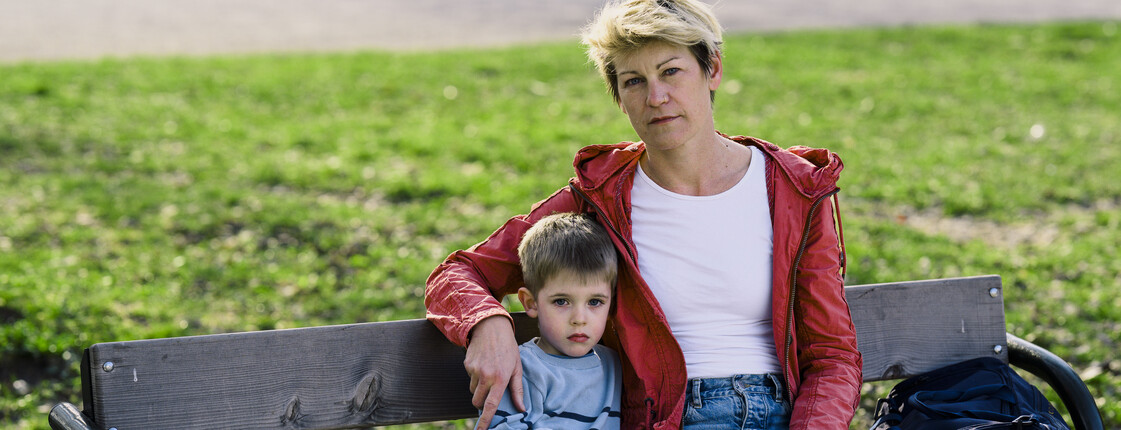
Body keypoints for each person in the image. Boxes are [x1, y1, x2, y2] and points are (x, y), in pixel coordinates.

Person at [425, 0, 863, 428]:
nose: (656, 97)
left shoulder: (793, 191)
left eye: (671, 71)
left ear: (712, 70)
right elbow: (457, 275)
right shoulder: (600, 198)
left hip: (782, 414)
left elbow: (831, 355)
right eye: (634, 81)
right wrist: (487, 323)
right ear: (619, 97)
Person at [486, 212, 622, 429]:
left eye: (595, 302)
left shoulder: (615, 366)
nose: (579, 319)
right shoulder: (522, 369)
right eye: (561, 301)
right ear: (531, 302)